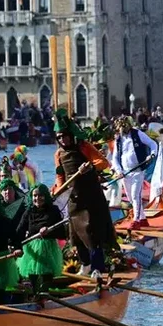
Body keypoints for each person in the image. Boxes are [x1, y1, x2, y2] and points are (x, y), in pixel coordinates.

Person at [53, 109, 114, 276]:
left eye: (64, 136)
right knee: (76, 234)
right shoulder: (58, 154)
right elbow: (60, 175)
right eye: (59, 137)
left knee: (91, 233)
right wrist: (59, 189)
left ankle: (98, 268)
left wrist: (90, 166)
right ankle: (85, 265)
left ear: (71, 135)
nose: (62, 139)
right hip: (74, 198)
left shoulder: (84, 146)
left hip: (91, 196)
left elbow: (103, 162)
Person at [16, 184, 66, 293]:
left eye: (40, 195)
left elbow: (62, 233)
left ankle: (45, 296)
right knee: (33, 278)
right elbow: (19, 231)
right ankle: (34, 297)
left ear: (46, 196)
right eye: (34, 196)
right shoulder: (29, 211)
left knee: (45, 280)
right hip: (32, 250)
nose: (37, 198)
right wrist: (14, 245)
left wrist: (49, 231)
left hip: (48, 250)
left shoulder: (53, 210)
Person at [111, 116, 158, 229]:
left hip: (138, 171)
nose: (122, 129)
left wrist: (151, 155)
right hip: (125, 173)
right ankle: (142, 218)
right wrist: (119, 171)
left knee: (135, 195)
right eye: (120, 127)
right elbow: (115, 158)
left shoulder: (137, 134)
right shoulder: (118, 140)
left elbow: (153, 144)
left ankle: (136, 220)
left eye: (124, 126)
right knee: (131, 198)